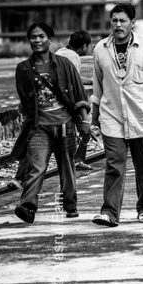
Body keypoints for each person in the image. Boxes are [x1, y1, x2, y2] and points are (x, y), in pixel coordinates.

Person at [90, 3, 143, 227]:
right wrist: (94, 118)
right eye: (114, 20)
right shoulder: (100, 49)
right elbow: (97, 88)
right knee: (114, 165)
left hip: (141, 116)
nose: (118, 25)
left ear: (132, 23)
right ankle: (109, 212)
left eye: (122, 20)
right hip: (112, 117)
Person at [13, 23, 90, 223]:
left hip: (66, 125)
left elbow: (79, 94)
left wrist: (84, 121)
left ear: (50, 39)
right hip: (40, 127)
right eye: (33, 37)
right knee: (36, 167)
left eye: (41, 36)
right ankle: (28, 206)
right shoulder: (22, 69)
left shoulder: (64, 64)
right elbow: (25, 100)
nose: (37, 40)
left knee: (67, 167)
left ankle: (71, 206)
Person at [54, 30, 94, 170]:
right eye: (89, 46)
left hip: (55, 100)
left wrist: (91, 80)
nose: (90, 49)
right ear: (84, 46)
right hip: (69, 101)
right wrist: (82, 114)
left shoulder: (60, 52)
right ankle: (78, 160)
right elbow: (74, 84)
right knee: (85, 129)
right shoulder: (74, 57)